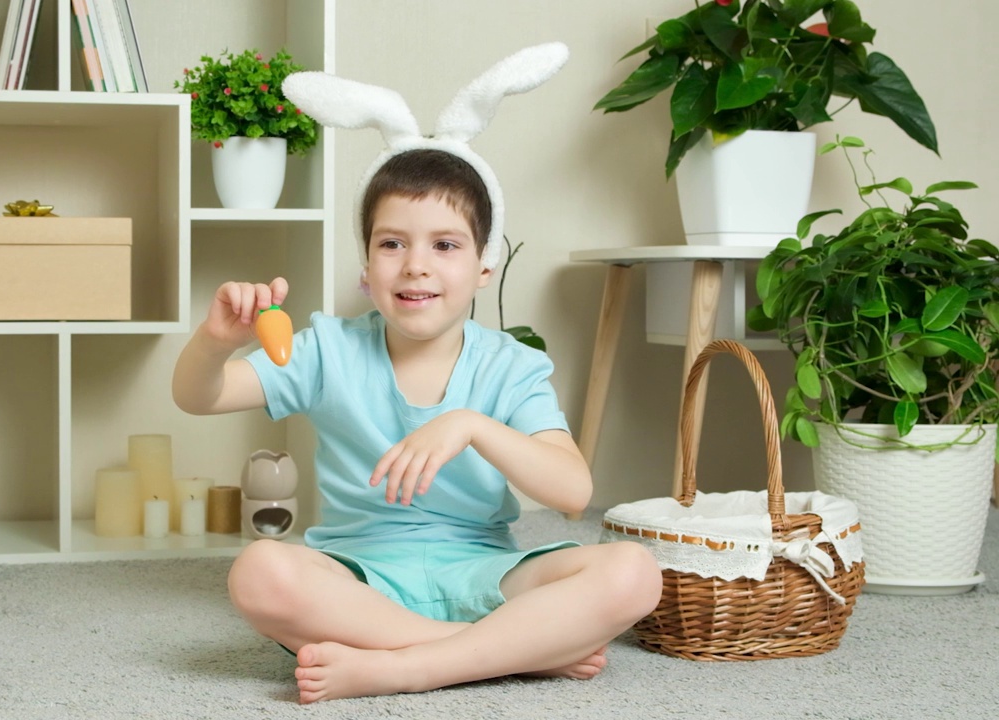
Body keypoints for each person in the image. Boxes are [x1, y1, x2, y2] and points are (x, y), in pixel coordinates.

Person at [172, 145, 662, 703]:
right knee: (258, 571)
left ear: (483, 265)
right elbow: (197, 397)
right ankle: (503, 651)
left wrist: (471, 425)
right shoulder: (326, 350)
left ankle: (409, 668)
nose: (415, 265)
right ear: (366, 264)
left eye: (445, 244)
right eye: (391, 243)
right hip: (360, 583)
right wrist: (215, 344)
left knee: (634, 571)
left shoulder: (511, 366)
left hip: (487, 573)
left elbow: (573, 490)